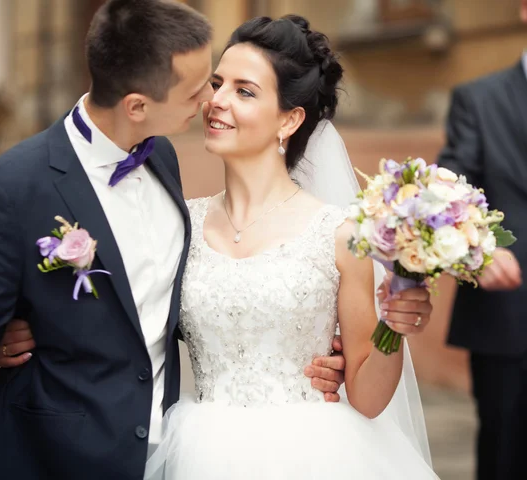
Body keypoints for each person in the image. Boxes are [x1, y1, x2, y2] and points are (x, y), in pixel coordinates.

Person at [0, 1, 343, 479]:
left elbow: (179, 300)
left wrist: (309, 340)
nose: (209, 104)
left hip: (168, 457)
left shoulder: (162, 160)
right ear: (138, 106)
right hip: (48, 459)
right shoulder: (9, 190)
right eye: (198, 91)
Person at [138, 15, 437, 479]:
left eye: (244, 91)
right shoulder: (181, 224)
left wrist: (393, 328)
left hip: (316, 454)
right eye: (217, 84)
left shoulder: (338, 235)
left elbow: (370, 397)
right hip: (201, 452)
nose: (216, 101)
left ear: (289, 119)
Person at [437, 2, 527, 478]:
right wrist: (482, 248)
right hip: (507, 317)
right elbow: (449, 192)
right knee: (505, 454)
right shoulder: (479, 98)